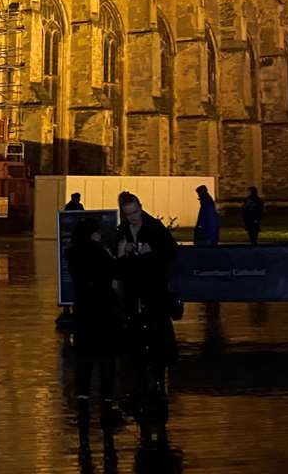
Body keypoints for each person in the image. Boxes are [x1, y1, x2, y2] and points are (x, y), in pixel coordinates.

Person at [115, 191, 178, 448]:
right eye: (128, 215)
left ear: (141, 208)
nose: (133, 219)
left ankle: (159, 382)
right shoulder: (122, 231)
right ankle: (142, 383)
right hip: (133, 294)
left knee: (158, 336)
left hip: (154, 293)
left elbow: (170, 254)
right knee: (137, 341)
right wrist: (123, 252)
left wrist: (150, 252)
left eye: (135, 213)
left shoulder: (154, 228)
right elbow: (117, 266)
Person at [66, 216, 122, 455]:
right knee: (106, 360)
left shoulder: (73, 254)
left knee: (84, 361)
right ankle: (107, 404)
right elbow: (114, 272)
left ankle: (82, 401)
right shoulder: (99, 253)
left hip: (83, 314)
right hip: (103, 314)